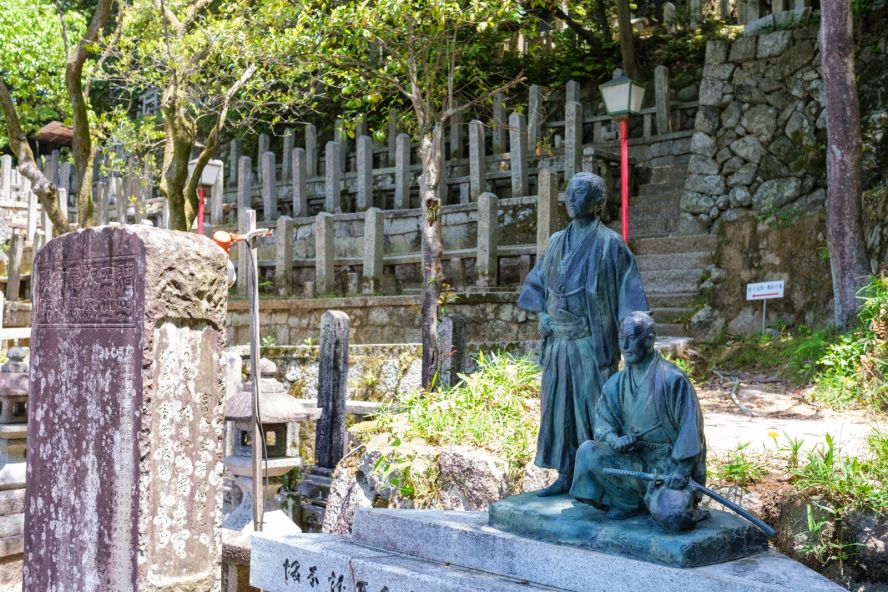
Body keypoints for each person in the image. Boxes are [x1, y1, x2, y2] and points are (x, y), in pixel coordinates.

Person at [518, 172, 648, 496]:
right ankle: (565, 473)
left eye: (580, 193)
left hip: (591, 344)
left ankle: (605, 484)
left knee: (595, 412)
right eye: (570, 193)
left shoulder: (610, 244)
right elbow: (536, 286)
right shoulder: (556, 242)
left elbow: (630, 299)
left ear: (598, 203)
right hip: (558, 344)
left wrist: (635, 338)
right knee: (559, 411)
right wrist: (544, 316)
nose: (572, 199)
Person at [570, 312, 709, 532]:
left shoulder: (673, 379)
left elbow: (691, 429)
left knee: (675, 515)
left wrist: (682, 470)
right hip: (631, 462)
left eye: (632, 338)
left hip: (666, 470)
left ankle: (668, 501)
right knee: (588, 452)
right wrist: (615, 440)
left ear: (650, 339)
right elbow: (603, 423)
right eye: (620, 338)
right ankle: (628, 502)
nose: (624, 345)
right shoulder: (617, 383)